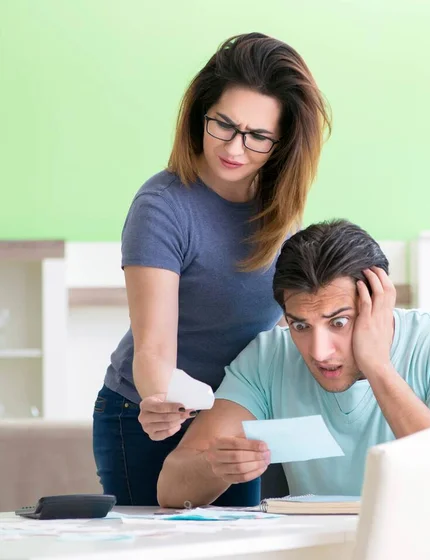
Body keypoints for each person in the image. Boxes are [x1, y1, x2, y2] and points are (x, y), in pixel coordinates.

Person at [92, 32, 331, 507]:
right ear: (201, 113)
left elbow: (287, 325)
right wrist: (160, 401)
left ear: (282, 142)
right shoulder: (162, 206)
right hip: (148, 417)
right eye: (224, 124)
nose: (236, 148)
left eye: (258, 136)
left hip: (236, 415)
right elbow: (154, 347)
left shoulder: (280, 210)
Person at [156, 219, 430, 507]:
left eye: (339, 322)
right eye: (301, 325)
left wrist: (378, 366)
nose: (319, 352)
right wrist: (216, 467)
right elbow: (170, 488)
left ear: (378, 302)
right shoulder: (269, 356)